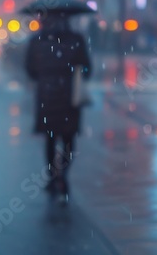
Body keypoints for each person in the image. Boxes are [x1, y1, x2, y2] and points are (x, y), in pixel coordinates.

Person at [25, 11, 92, 205]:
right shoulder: (76, 39)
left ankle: (53, 177)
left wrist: (45, 77)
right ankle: (62, 174)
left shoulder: (37, 41)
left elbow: (30, 69)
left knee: (50, 138)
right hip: (69, 94)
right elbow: (87, 68)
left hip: (46, 94)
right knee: (69, 139)